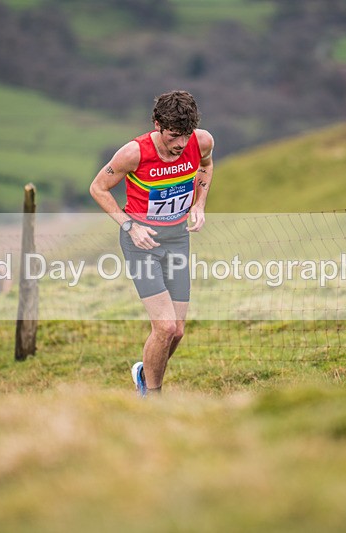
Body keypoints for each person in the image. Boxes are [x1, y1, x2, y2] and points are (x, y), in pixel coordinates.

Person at [89, 90, 215, 397]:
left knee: (178, 331)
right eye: (174, 136)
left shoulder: (202, 141)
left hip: (177, 239)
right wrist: (130, 226)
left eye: (185, 135)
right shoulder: (133, 153)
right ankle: (151, 397)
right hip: (141, 243)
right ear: (157, 124)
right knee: (165, 327)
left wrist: (199, 205)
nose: (180, 144)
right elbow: (98, 187)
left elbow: (206, 166)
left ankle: (144, 373)